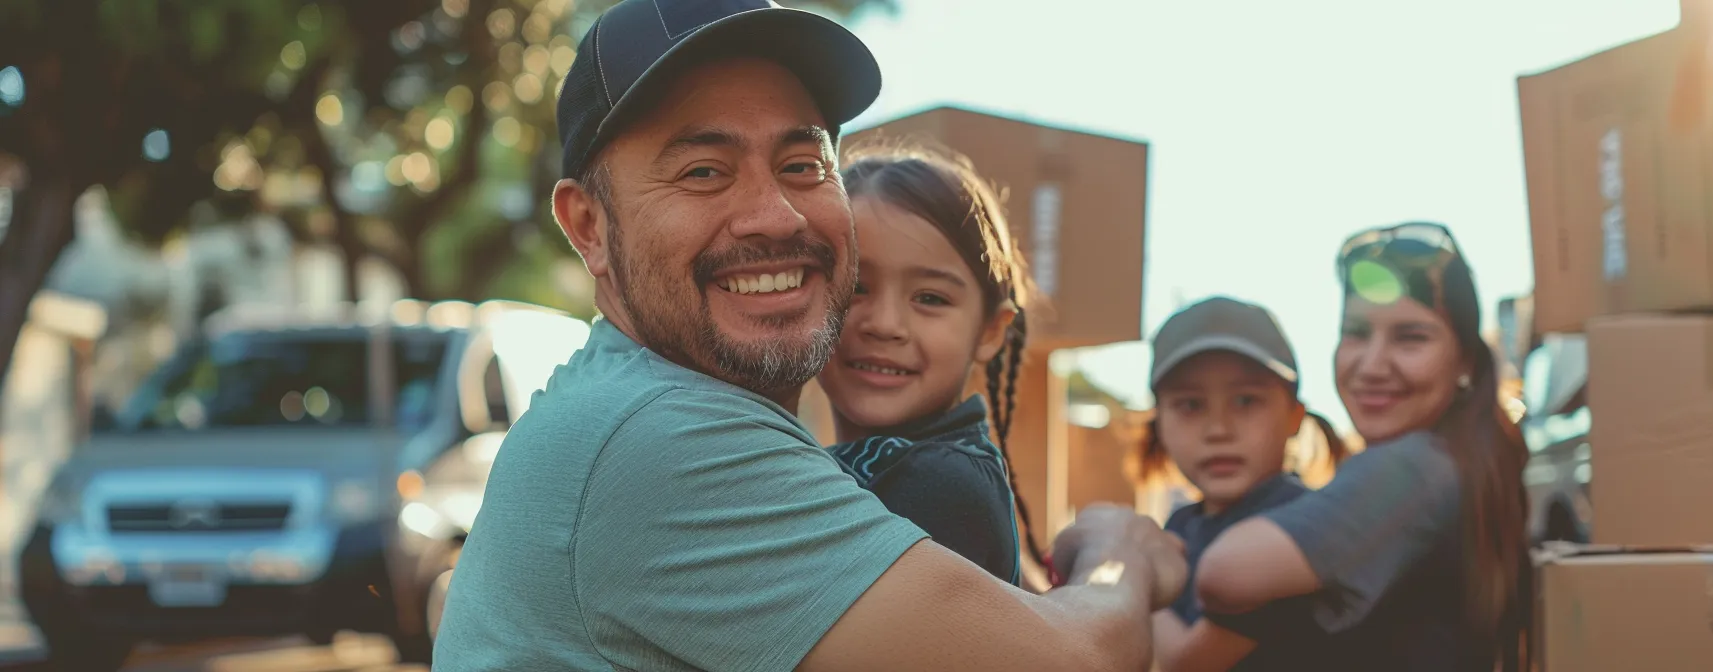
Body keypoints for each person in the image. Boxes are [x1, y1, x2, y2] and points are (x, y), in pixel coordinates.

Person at [431, 2, 1187, 671]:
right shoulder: (662, 438)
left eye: (801, 164)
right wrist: (1122, 556)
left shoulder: (620, 399)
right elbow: (1078, 660)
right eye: (702, 171)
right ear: (589, 227)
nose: (777, 215)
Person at [1194, 222, 1532, 671]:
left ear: (1465, 360)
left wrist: (1130, 557)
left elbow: (1225, 574)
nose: (1372, 365)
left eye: (1410, 337)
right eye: (1355, 332)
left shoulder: (1415, 469)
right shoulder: (1464, 459)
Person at [819, 147, 1038, 585]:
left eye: (930, 298)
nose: (885, 325)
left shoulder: (939, 483)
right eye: (855, 287)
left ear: (991, 331)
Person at [1133, 297, 1348, 672]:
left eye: (1246, 401)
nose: (1219, 430)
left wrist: (1130, 570)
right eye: (1190, 405)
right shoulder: (1181, 524)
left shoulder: (1296, 531)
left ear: (1294, 416)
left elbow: (1188, 664)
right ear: (1160, 424)